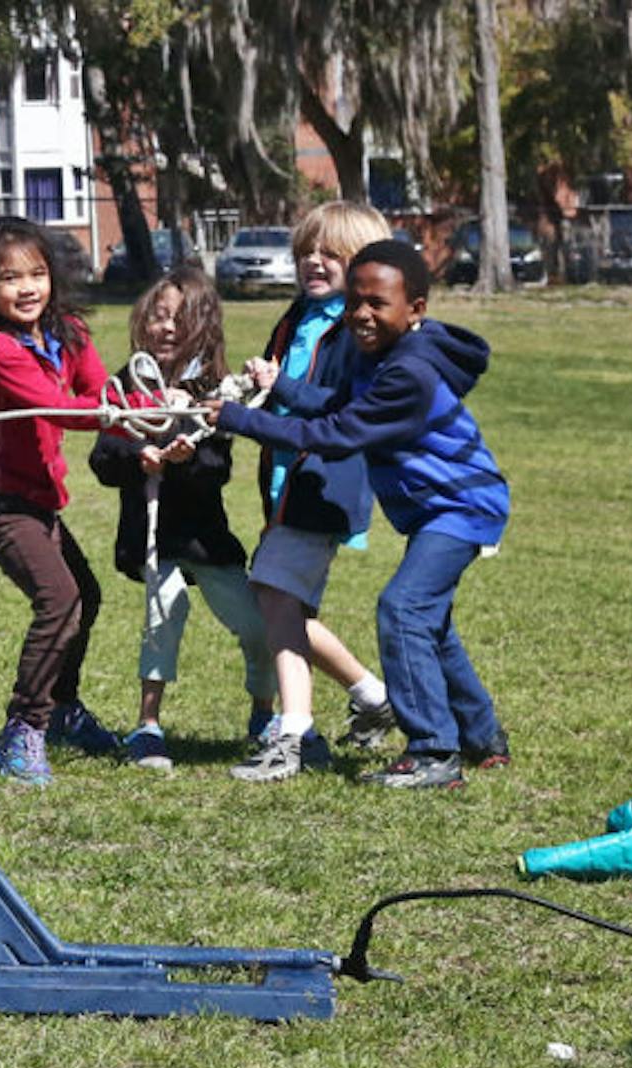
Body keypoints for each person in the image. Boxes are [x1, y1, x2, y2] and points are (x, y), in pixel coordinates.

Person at [206, 237, 510, 790]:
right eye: (355, 303)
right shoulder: (382, 356)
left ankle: (433, 755)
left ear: (416, 308)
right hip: (438, 508)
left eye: (378, 304)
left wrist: (238, 419)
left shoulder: (409, 373)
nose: (362, 315)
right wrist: (283, 388)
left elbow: (336, 435)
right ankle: (482, 737)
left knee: (403, 610)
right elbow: (338, 407)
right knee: (430, 622)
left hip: (463, 505)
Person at [0, 216, 145, 785]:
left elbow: (95, 392)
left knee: (82, 595)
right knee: (59, 599)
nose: (27, 288)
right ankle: (24, 727)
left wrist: (148, 403)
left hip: (40, 501)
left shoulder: (69, 331)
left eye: (37, 273)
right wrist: (114, 413)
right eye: (10, 278)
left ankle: (62, 709)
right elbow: (59, 407)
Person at [229, 200, 396, 784]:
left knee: (274, 596)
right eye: (306, 252)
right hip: (284, 481)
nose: (314, 262)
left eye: (331, 254)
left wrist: (282, 388)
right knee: (282, 604)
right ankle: (373, 694)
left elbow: (338, 412)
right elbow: (286, 390)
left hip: (323, 485)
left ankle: (292, 734)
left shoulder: (359, 329)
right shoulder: (298, 315)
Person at [89, 268, 276, 770]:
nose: (167, 327)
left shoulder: (216, 390)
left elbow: (216, 469)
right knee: (163, 614)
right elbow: (103, 459)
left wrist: (182, 458)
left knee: (257, 625)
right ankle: (147, 727)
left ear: (204, 328)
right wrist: (139, 459)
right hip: (153, 536)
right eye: (158, 315)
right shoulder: (128, 385)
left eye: (181, 318)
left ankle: (264, 713)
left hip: (204, 536)